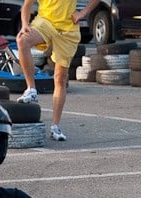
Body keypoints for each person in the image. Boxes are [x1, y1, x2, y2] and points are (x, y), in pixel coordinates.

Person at [15, 0, 99, 141]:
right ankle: (31, 89)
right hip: (45, 23)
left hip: (68, 30)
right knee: (22, 40)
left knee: (60, 78)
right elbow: (27, 4)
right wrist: (24, 24)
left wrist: (83, 13)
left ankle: (55, 126)